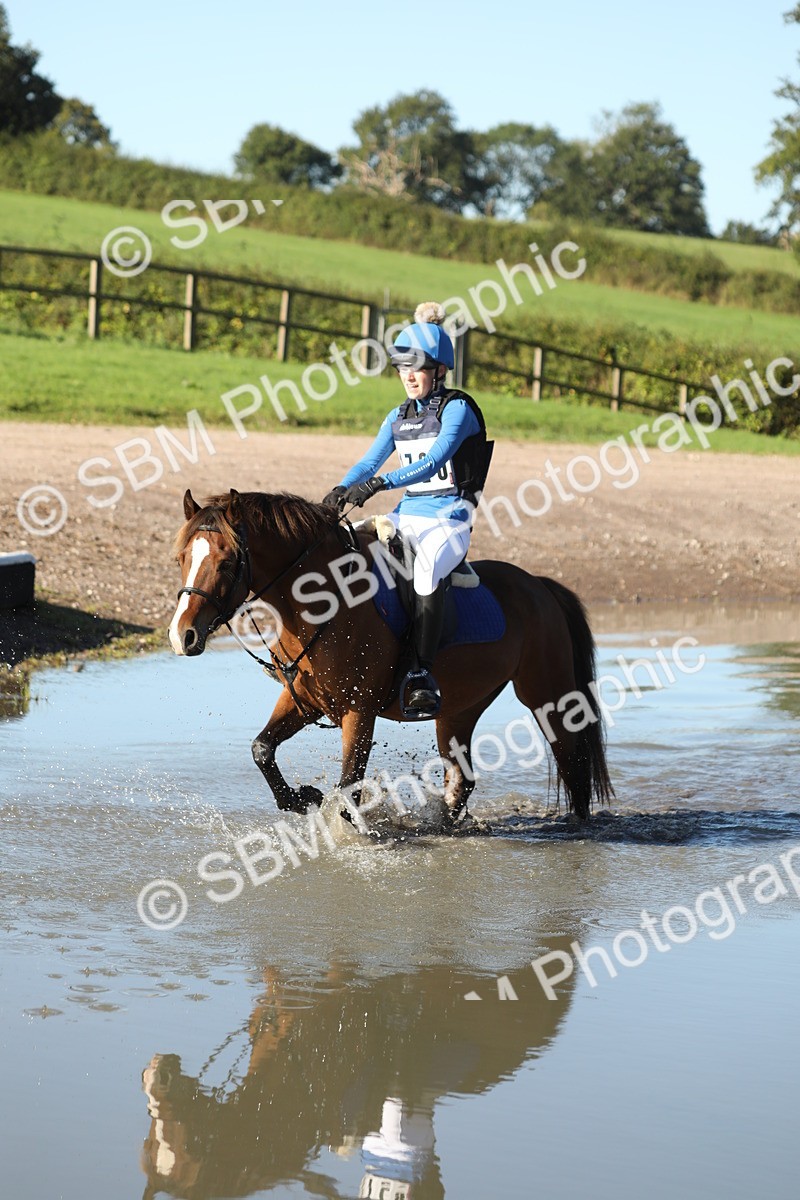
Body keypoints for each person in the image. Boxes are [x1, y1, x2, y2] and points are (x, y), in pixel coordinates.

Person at [322, 302, 493, 718]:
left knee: (427, 568)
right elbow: (368, 462)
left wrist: (382, 483)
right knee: (345, 543)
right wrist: (341, 489)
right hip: (406, 514)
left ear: (439, 370)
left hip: (449, 518)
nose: (409, 376)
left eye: (418, 368)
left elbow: (434, 460)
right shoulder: (396, 417)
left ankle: (421, 672)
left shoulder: (459, 409)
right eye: (403, 368)